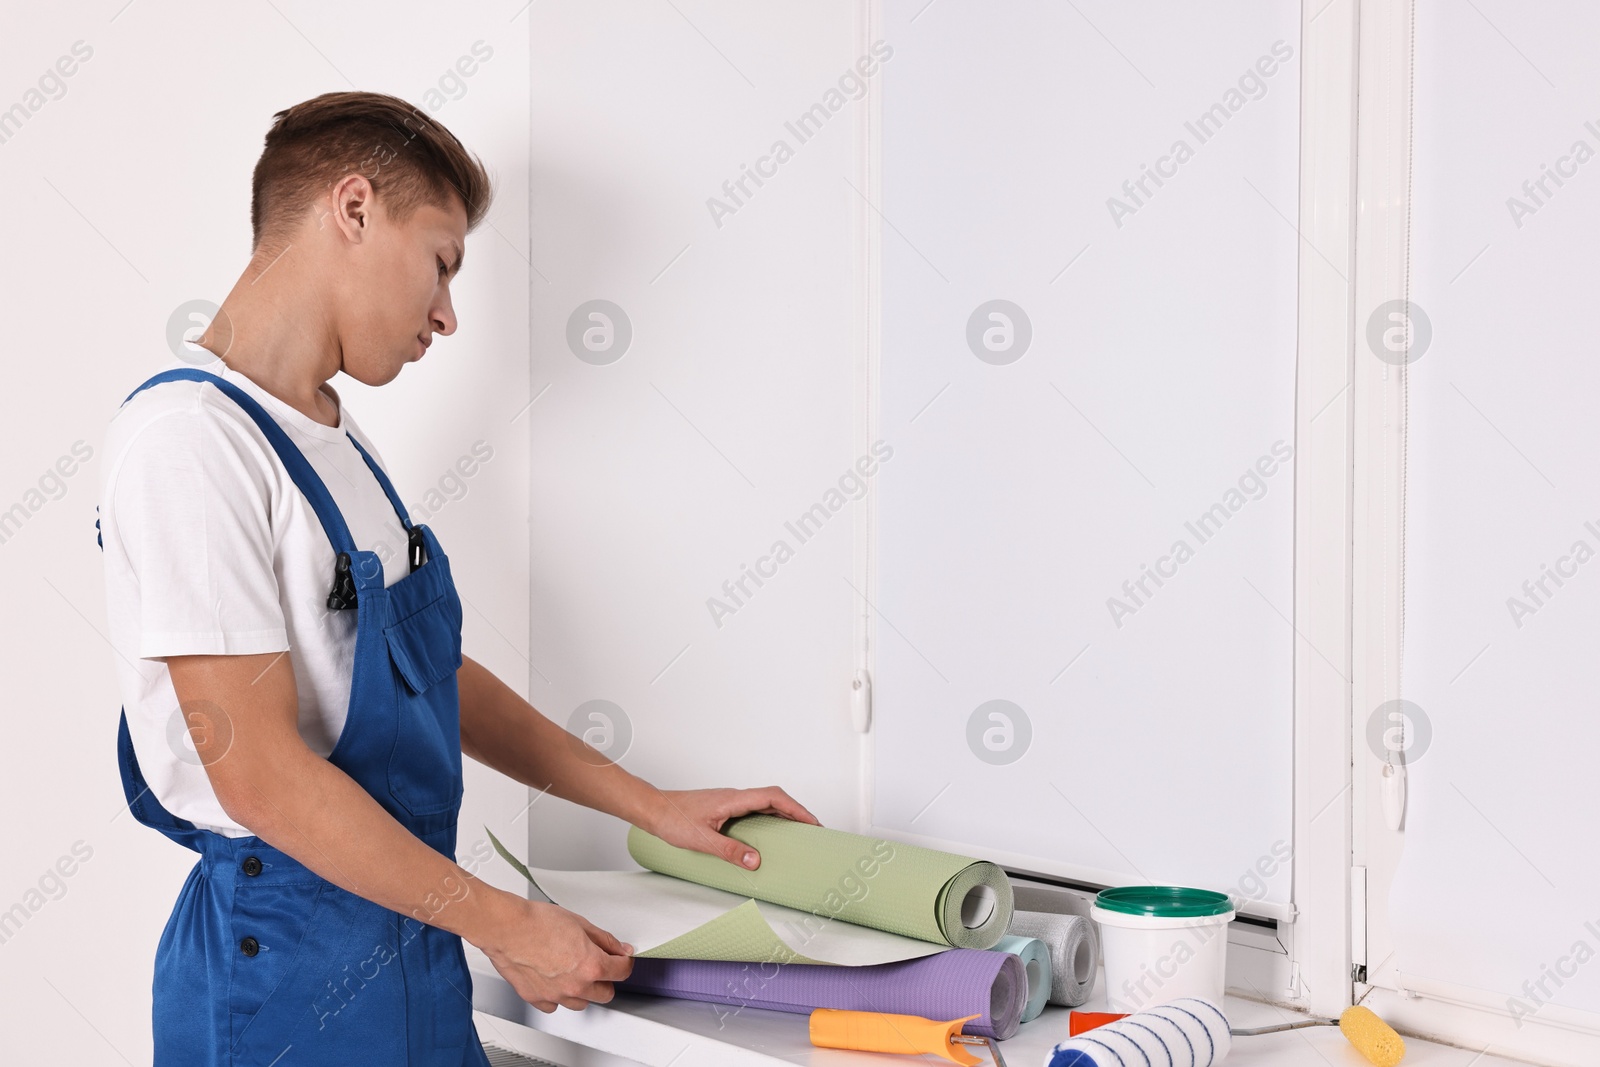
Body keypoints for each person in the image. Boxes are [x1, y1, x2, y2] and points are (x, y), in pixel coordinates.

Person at [96, 90, 818, 1066]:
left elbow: (427, 673)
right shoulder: (190, 443)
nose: (446, 314)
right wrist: (502, 920)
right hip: (283, 968)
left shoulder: (335, 437)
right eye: (441, 261)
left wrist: (650, 804)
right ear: (352, 208)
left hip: (402, 929)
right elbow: (259, 775)